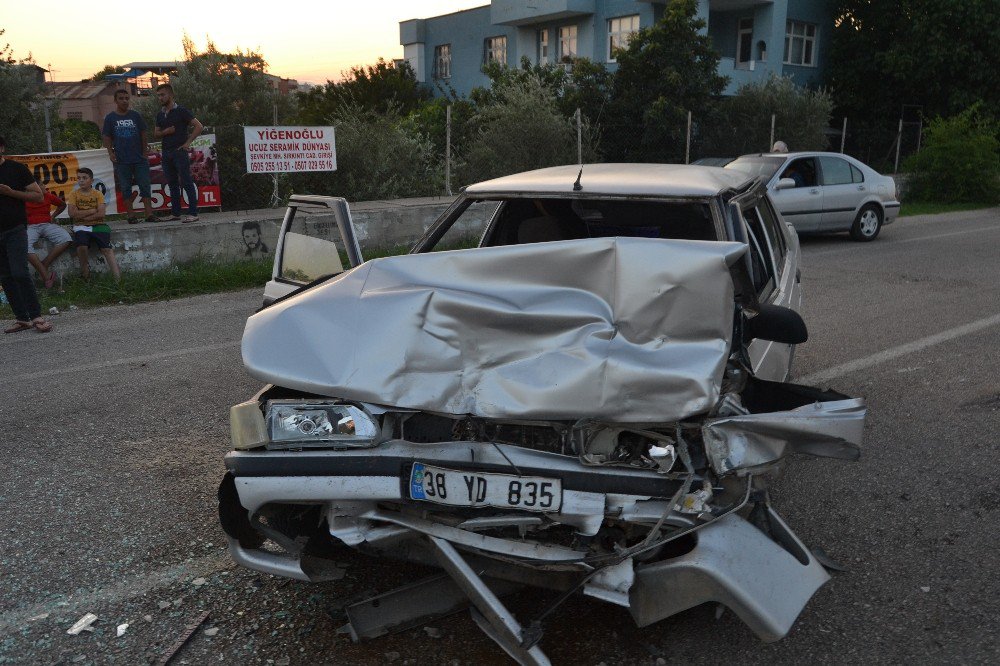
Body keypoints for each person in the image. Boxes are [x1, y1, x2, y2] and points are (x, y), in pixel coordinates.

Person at [0, 135, 52, 333]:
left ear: (2, 148)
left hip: (15, 228)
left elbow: (38, 196)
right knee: (5, 276)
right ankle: (22, 319)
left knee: (20, 273)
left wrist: (10, 192)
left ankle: (36, 316)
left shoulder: (16, 169)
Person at [103, 89, 156, 224]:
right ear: (115, 100)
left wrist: (144, 152)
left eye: (127, 98)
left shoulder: (135, 115)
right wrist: (110, 152)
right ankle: (131, 216)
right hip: (122, 159)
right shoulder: (110, 118)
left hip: (139, 159)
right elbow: (106, 136)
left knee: (145, 185)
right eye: (121, 98)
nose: (124, 101)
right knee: (125, 188)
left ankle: (149, 214)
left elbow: (143, 133)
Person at [154, 83, 203, 223]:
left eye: (163, 95)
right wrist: (166, 132)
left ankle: (193, 213)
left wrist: (187, 143)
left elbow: (199, 126)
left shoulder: (181, 111)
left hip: (179, 152)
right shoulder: (160, 114)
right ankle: (176, 213)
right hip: (166, 152)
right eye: (158, 95)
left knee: (186, 181)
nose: (160, 98)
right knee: (172, 183)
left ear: (171, 95)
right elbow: (156, 133)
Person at [67, 168, 121, 282]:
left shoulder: (98, 194)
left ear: (91, 181)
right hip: (80, 226)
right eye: (79, 178)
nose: (81, 181)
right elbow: (72, 214)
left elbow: (101, 214)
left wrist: (81, 215)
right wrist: (92, 211)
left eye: (84, 178)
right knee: (82, 246)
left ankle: (118, 279)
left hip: (98, 225)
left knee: (107, 249)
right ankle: (85, 275)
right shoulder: (74, 194)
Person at [25, 177, 71, 288]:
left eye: (42, 184)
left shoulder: (48, 196)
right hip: (31, 227)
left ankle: (44, 264)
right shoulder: (25, 198)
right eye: (41, 185)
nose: (44, 187)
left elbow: (62, 205)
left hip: (46, 224)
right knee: (24, 246)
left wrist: (53, 216)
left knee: (66, 238)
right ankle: (46, 276)